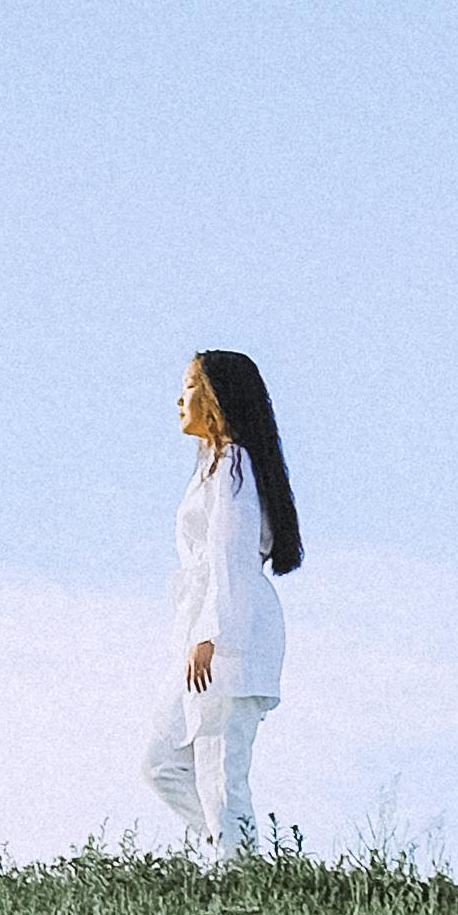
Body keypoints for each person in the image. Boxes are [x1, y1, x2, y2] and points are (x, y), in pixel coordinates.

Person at [146, 345, 301, 857]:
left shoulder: (234, 465)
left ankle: (242, 876)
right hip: (208, 628)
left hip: (231, 629)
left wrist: (214, 633)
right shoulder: (216, 468)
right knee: (162, 762)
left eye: (189, 387)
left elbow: (231, 556)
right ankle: (236, 857)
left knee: (220, 771)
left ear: (213, 399)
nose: (178, 398)